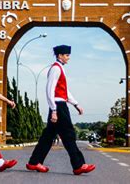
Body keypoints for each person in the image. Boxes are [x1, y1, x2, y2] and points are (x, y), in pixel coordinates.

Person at [26, 45, 96, 175]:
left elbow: (64, 91)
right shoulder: (55, 69)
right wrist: (53, 109)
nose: (68, 58)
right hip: (58, 106)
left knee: (48, 136)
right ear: (60, 56)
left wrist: (76, 104)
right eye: (67, 55)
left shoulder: (59, 68)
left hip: (60, 104)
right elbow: (49, 90)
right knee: (69, 135)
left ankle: (34, 162)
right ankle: (78, 165)